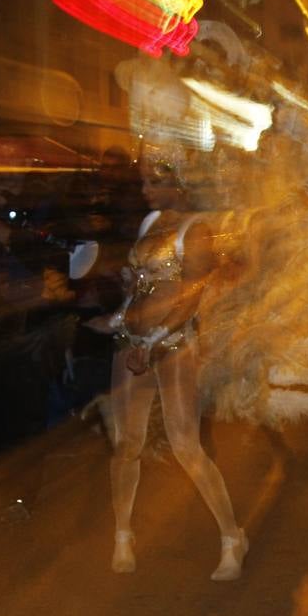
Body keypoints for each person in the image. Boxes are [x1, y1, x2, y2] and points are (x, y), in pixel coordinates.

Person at [102, 145, 246, 580]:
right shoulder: (149, 223)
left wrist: (156, 340)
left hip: (173, 346)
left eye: (155, 181)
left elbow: (191, 296)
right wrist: (121, 312)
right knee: (127, 444)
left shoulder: (195, 230)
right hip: (132, 343)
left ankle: (231, 537)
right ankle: (123, 535)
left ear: (179, 184)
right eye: (144, 180)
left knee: (186, 445)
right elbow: (140, 286)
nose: (145, 189)